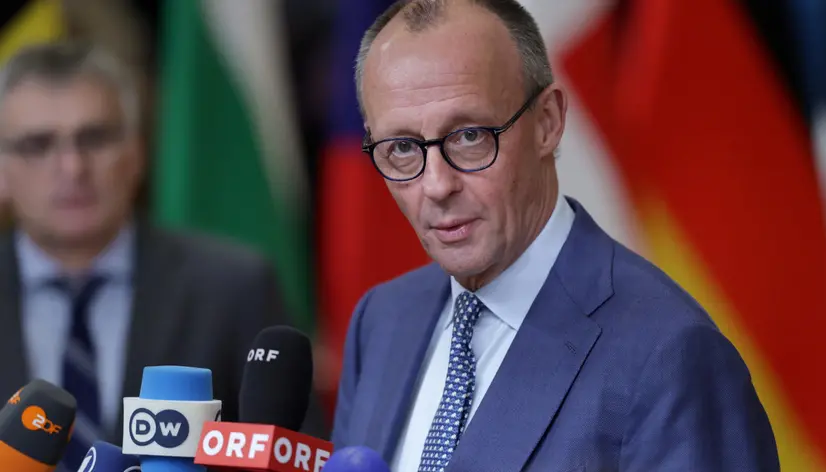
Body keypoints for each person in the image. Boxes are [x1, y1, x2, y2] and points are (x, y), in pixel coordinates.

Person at [331, 1, 779, 471]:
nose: (437, 185)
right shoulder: (381, 320)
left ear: (548, 121)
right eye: (402, 147)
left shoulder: (671, 356)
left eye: (469, 136)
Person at [0, 42, 324, 471]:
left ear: (137, 153)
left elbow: (295, 451)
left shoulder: (233, 285)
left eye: (94, 138)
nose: (73, 167)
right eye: (38, 144)